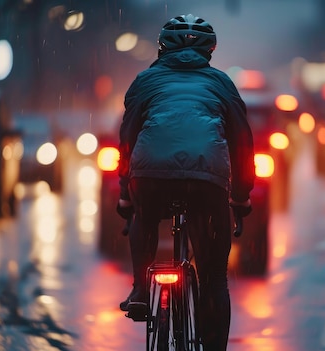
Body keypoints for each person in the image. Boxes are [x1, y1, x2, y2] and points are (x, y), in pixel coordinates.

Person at [116, 13, 255, 350]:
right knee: (214, 281)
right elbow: (241, 142)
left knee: (144, 215)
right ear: (210, 51)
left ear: (162, 48)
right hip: (207, 180)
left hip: (151, 175)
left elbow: (128, 138)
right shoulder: (221, 83)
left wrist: (125, 195)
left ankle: (139, 289)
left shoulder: (145, 81)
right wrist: (240, 197)